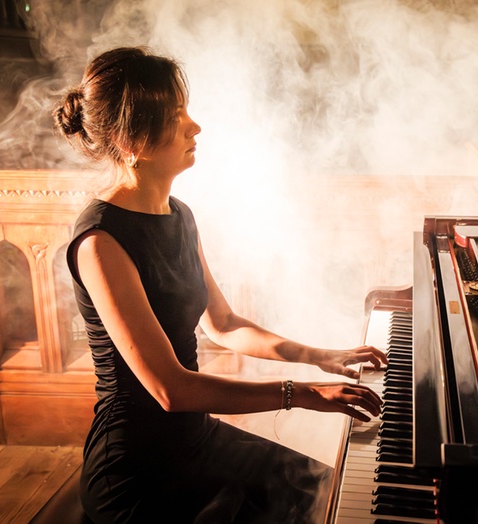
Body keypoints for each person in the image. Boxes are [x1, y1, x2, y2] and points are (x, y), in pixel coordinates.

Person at [54, 47, 386, 523]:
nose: (195, 126)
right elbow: (171, 389)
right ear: (131, 140)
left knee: (323, 492)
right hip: (135, 470)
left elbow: (225, 325)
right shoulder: (100, 240)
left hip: (196, 437)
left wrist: (322, 356)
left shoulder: (179, 214)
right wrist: (304, 394)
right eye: (175, 116)